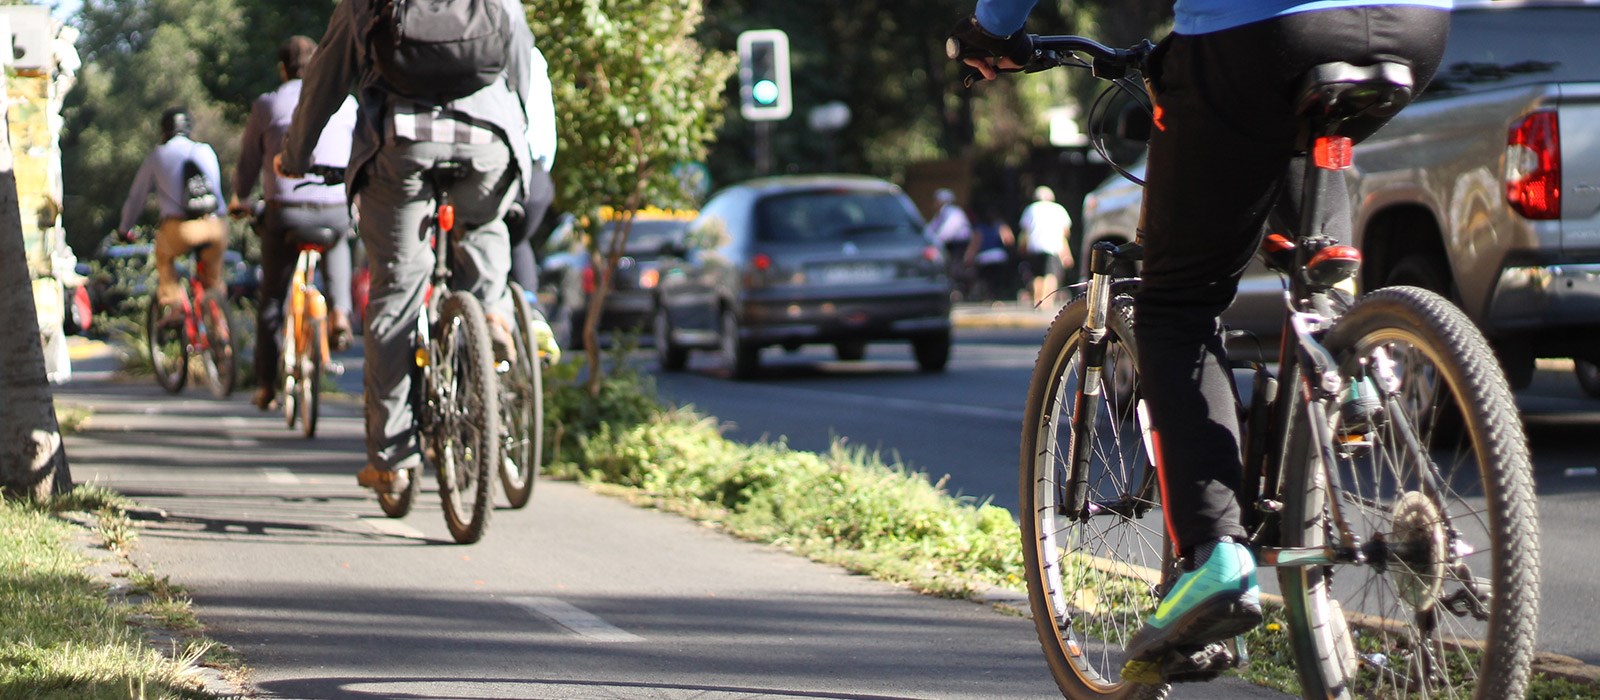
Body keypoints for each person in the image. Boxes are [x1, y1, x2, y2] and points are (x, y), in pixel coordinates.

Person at [951, 0, 1450, 680]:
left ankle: (1216, 556)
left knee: (1176, 303)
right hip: (1415, 24)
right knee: (1293, 139)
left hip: (1259, 30)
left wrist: (991, 30)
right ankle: (1343, 344)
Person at [277, 0, 539, 496]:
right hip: (488, 142)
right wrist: (513, 135)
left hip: (402, 145)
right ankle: (492, 314)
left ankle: (392, 459)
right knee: (483, 230)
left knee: (396, 292)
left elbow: (324, 82)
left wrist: (294, 156)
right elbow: (520, 65)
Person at [230, 35, 359, 412]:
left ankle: (267, 386)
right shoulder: (347, 103)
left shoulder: (268, 104)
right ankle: (339, 312)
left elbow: (248, 164)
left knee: (272, 299)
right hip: (336, 207)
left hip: (285, 211)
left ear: (282, 69)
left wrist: (240, 199)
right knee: (339, 236)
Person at [118, 107, 228, 321]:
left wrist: (124, 228)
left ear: (164, 131)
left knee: (163, 254)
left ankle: (173, 306)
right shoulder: (205, 150)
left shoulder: (158, 155)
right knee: (213, 283)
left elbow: (136, 198)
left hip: (182, 229)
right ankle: (221, 335)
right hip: (216, 226)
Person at [1019, 185, 1072, 305]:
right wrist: (1066, 254)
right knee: (1051, 274)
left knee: (1037, 275)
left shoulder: (1030, 209)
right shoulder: (1059, 209)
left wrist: (1022, 247)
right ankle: (1047, 300)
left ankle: (1037, 300)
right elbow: (1065, 233)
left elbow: (1024, 233)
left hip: (1035, 246)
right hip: (1053, 246)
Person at [927, 188, 973, 297]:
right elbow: (930, 229)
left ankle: (958, 291)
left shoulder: (953, 212)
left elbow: (949, 230)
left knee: (955, 267)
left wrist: (936, 241)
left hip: (958, 245)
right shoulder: (940, 214)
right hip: (948, 244)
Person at [965, 201, 1015, 302]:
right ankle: (998, 298)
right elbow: (1009, 240)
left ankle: (988, 298)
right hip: (998, 256)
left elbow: (975, 244)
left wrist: (968, 256)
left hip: (984, 258)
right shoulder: (1000, 225)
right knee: (998, 280)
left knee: (986, 281)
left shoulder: (979, 227)